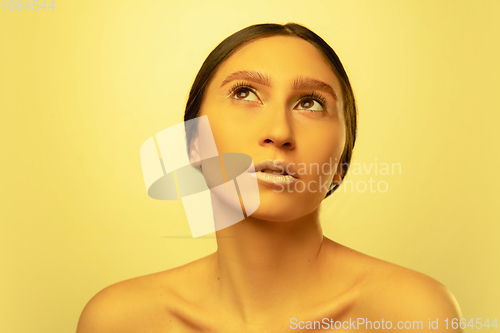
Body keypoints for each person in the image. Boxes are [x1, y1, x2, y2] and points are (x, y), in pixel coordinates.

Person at [77, 23, 463, 332]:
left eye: (310, 103)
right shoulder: (117, 321)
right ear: (192, 143)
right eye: (244, 93)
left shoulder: (414, 316)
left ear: (341, 163)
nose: (279, 131)